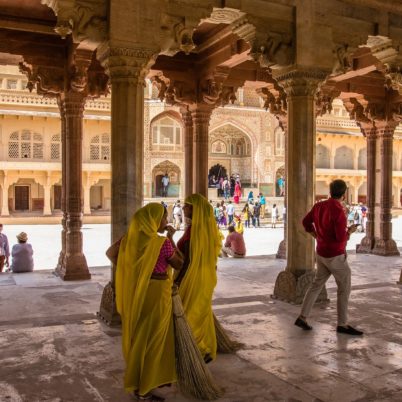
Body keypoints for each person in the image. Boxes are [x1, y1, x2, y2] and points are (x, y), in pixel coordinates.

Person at [115, 203, 183, 399]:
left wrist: (133, 270)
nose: (165, 221)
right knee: (154, 338)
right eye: (162, 218)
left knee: (141, 336)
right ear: (153, 220)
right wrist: (171, 237)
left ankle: (137, 382)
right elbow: (179, 263)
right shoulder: (161, 243)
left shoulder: (129, 240)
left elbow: (111, 253)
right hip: (157, 292)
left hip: (139, 291)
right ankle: (144, 388)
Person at [294, 179, 363, 336]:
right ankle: (342, 324)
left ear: (330, 192)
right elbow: (340, 238)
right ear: (344, 194)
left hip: (321, 253)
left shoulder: (319, 205)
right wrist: (350, 231)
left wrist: (316, 235)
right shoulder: (338, 210)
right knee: (344, 288)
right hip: (335, 256)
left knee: (316, 285)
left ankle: (302, 317)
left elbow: (306, 222)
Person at [172, 194, 222, 362]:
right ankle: (204, 346)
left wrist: (178, 280)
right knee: (201, 311)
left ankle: (197, 349)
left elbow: (186, 260)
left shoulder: (196, 232)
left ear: (195, 209)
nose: (184, 208)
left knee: (190, 314)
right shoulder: (202, 230)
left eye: (187, 206)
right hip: (204, 276)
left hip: (193, 277)